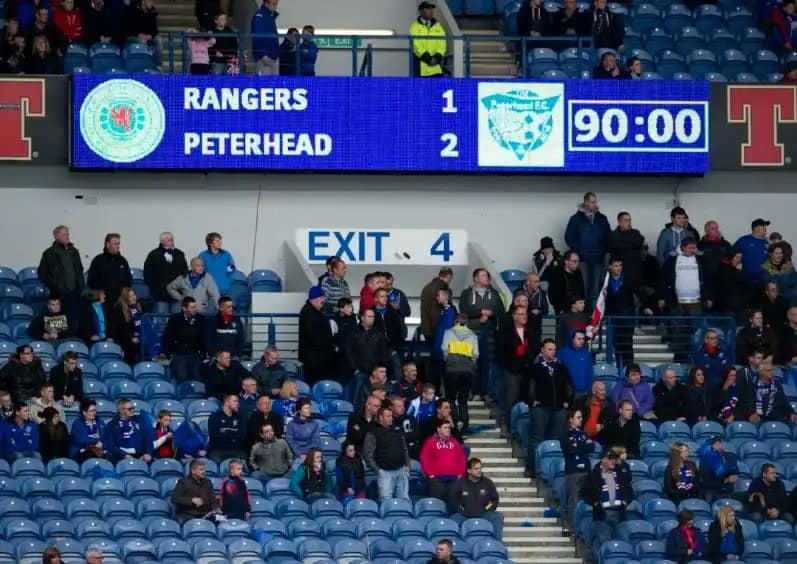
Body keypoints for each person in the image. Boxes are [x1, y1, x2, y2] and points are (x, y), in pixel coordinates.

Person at [521, 339, 574, 476]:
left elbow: (569, 385)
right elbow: (525, 386)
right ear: (542, 350)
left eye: (554, 349)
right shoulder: (535, 367)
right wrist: (531, 401)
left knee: (555, 441)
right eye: (550, 349)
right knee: (536, 439)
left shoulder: (561, 367)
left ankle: (551, 470)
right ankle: (532, 468)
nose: (553, 352)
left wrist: (568, 401)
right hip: (540, 409)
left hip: (559, 409)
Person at [459, 268, 501, 399]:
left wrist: (490, 314)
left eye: (487, 275)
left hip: (489, 332)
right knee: (473, 363)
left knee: (487, 363)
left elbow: (500, 310)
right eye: (483, 275)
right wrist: (480, 313)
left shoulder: (494, 293)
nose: (486, 278)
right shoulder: (466, 293)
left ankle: (485, 392)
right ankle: (474, 391)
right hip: (472, 332)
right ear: (475, 278)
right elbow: (464, 310)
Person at [581, 450, 633, 555]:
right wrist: (595, 503)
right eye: (610, 458)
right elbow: (584, 493)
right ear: (603, 459)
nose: (613, 461)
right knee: (605, 543)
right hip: (602, 514)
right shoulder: (594, 475)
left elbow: (629, 490)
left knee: (623, 542)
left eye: (614, 458)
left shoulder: (620, 473)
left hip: (620, 513)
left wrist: (625, 501)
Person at [564, 192, 611, 307]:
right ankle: (583, 316)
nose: (594, 204)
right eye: (592, 202)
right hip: (582, 259)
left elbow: (608, 237)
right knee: (583, 289)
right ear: (585, 202)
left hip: (598, 259)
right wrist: (578, 251)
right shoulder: (575, 219)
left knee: (595, 290)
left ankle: (593, 320)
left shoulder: (602, 219)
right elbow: (569, 237)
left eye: (595, 202)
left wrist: (602, 250)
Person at [363, 406, 411, 500]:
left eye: (391, 416)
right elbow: (368, 455)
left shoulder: (397, 429)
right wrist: (378, 470)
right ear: (381, 417)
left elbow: (404, 448)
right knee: (386, 500)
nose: (391, 418)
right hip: (385, 472)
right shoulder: (373, 432)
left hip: (401, 470)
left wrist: (407, 464)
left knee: (404, 499)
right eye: (388, 416)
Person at [441, 312, 478, 432]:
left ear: (455, 322)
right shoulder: (472, 335)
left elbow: (444, 348)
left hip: (451, 369)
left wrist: (449, 360)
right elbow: (476, 354)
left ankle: (455, 423)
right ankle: (465, 425)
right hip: (467, 370)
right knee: (463, 399)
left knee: (451, 398)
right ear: (467, 323)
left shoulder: (448, 332)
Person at [449, 457, 503, 540]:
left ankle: (497, 543)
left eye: (480, 468)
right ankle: (458, 545)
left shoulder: (488, 482)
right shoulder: (459, 483)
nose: (479, 470)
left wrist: (486, 509)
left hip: (484, 514)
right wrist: (462, 511)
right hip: (464, 515)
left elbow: (495, 500)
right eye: (476, 468)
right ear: (469, 470)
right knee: (454, 519)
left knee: (498, 516)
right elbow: (453, 500)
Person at [560, 407, 595, 534]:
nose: (581, 420)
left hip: (586, 470)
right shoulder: (565, 434)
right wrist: (582, 446)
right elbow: (570, 449)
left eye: (581, 417)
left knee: (585, 500)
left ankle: (582, 528)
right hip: (573, 471)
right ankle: (570, 527)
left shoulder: (583, 433)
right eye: (578, 417)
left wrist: (580, 446)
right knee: (573, 500)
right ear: (571, 420)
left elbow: (591, 446)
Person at [658, 237, 713, 316]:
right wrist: (662, 297)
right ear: (683, 247)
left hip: (696, 302)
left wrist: (708, 297)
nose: (693, 250)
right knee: (678, 327)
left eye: (694, 248)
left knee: (696, 327)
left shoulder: (701, 261)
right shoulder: (672, 261)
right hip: (676, 302)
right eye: (690, 248)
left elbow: (708, 280)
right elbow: (663, 280)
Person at [345, 311, 391, 404]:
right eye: (369, 316)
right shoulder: (353, 332)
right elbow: (349, 352)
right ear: (362, 318)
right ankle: (356, 413)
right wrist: (355, 369)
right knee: (357, 397)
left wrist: (381, 370)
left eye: (373, 317)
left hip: (375, 371)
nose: (372, 319)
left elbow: (383, 352)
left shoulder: (379, 333)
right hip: (360, 371)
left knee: (378, 397)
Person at [499, 305, 533, 427]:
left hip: (527, 371)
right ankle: (508, 426)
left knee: (527, 398)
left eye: (525, 314)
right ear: (514, 316)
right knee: (511, 400)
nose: (524, 316)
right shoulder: (506, 331)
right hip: (512, 370)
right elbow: (502, 351)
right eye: (521, 314)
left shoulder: (530, 330)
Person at [419, 420, 467, 502]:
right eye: (445, 428)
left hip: (454, 479)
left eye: (449, 428)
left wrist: (460, 474)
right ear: (438, 429)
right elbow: (424, 458)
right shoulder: (430, 442)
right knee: (437, 503)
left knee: (454, 503)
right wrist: (430, 475)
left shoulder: (455, 442)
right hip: (436, 479)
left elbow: (462, 459)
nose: (448, 430)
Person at [162, 296, 206, 383]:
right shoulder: (175, 319)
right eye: (192, 307)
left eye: (195, 307)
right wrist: (169, 353)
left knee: (197, 378)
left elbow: (204, 337)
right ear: (184, 308)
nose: (195, 309)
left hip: (195, 355)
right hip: (179, 355)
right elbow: (167, 337)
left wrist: (203, 354)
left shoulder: (201, 319)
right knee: (182, 378)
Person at [144, 231, 189, 314]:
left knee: (177, 318)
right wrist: (155, 288)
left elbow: (185, 271)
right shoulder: (153, 255)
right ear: (162, 241)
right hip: (160, 294)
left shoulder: (179, 254)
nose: (172, 242)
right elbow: (147, 274)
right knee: (161, 320)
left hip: (177, 294)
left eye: (172, 240)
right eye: (169, 240)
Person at [298, 287, 335, 385]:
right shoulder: (308, 313)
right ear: (316, 298)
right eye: (322, 298)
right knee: (315, 384)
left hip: (318, 358)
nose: (324, 300)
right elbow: (314, 336)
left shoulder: (315, 312)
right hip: (314, 360)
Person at [87, 233, 131, 305]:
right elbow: (91, 282)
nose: (118, 246)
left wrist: (124, 295)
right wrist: (99, 294)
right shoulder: (98, 260)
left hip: (119, 301)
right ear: (107, 244)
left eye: (118, 244)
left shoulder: (123, 261)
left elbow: (128, 280)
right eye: (115, 244)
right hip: (103, 301)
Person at [105, 399, 153, 463]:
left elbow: (148, 439)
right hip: (120, 457)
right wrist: (124, 455)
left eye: (133, 408)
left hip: (139, 456)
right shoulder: (112, 425)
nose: (132, 410)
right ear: (121, 410)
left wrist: (148, 453)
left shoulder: (139, 422)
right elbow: (110, 445)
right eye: (130, 409)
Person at [171, 459, 217, 523]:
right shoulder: (183, 482)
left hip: (205, 514)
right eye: (201, 469)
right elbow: (174, 498)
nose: (204, 471)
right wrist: (192, 500)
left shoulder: (208, 482)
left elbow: (212, 499)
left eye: (204, 469)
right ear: (193, 471)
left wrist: (213, 511)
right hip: (187, 515)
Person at [409, 1, 446, 77]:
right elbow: (415, 45)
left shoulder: (438, 26)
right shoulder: (414, 26)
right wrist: (427, 58)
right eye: (428, 9)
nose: (431, 11)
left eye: (431, 9)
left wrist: (437, 57)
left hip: (436, 67)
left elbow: (443, 43)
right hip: (420, 68)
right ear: (421, 11)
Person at [107, 287, 142, 364]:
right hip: (125, 337)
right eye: (130, 297)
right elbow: (119, 328)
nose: (133, 298)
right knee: (133, 345)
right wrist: (132, 336)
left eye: (134, 295)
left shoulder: (137, 307)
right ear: (125, 298)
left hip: (138, 335)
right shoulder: (119, 309)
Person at [698, 437, 739, 502]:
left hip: (725, 490)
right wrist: (723, 480)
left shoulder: (730, 457)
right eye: (713, 444)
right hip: (709, 490)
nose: (716, 446)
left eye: (718, 443)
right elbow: (704, 478)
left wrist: (725, 480)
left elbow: (734, 478)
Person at [715, 247, 751, 322]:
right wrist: (738, 272)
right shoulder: (723, 268)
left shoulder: (742, 267)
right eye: (737, 257)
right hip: (727, 306)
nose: (739, 259)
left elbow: (746, 283)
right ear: (731, 257)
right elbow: (728, 282)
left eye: (740, 257)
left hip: (741, 305)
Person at [544, 250, 586, 314]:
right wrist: (559, 308)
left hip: (577, 309)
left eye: (578, 261)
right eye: (574, 261)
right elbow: (553, 294)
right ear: (566, 262)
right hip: (562, 310)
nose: (577, 264)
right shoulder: (557, 274)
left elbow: (581, 292)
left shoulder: (578, 274)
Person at [207, 394, 245, 462]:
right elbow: (214, 435)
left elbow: (242, 436)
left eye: (238, 402)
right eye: (235, 401)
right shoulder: (214, 416)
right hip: (218, 450)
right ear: (227, 402)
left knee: (242, 460)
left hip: (236, 450)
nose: (238, 404)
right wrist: (233, 434)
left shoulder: (240, 417)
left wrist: (225, 432)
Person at [421, 267, 454, 342]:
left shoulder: (428, 286)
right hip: (438, 328)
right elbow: (440, 309)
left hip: (427, 327)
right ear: (449, 277)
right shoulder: (442, 288)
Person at [558, 329, 592, 400]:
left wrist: (590, 390)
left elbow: (589, 373)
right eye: (579, 339)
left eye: (583, 339)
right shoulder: (562, 353)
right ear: (572, 339)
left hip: (584, 392)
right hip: (567, 391)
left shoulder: (586, 354)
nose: (582, 341)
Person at [698, 220, 732, 291]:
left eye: (717, 228)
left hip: (723, 280)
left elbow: (732, 259)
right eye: (713, 228)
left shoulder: (725, 244)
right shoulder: (700, 245)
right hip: (706, 280)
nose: (716, 230)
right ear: (706, 230)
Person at [735, 218, 770, 283]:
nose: (765, 227)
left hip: (764, 281)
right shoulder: (744, 240)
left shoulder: (768, 243)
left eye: (765, 226)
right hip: (745, 280)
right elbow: (732, 255)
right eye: (762, 225)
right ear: (755, 228)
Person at [251, 0, 279, 75]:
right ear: (266, 4)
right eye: (273, 4)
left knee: (274, 84)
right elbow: (257, 37)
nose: (275, 6)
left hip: (273, 56)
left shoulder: (271, 16)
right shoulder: (260, 16)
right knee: (265, 84)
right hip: (265, 57)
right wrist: (263, 55)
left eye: (276, 4)